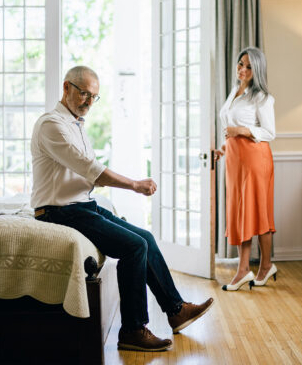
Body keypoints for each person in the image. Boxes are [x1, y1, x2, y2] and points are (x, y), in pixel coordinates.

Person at [31, 65, 213, 352]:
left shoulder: (76, 124)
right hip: (58, 210)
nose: (89, 102)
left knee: (146, 239)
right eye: (84, 94)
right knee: (133, 247)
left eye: (94, 97)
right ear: (66, 88)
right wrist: (134, 185)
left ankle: (176, 310)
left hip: (81, 205)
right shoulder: (51, 124)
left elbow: (85, 174)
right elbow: (90, 169)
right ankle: (133, 330)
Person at [215, 47, 277, 291]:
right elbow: (230, 126)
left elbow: (269, 132)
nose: (242, 69)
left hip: (255, 160)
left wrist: (240, 131)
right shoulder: (234, 91)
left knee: (258, 212)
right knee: (241, 212)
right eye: (241, 64)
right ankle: (247, 269)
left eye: (249, 66)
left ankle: (259, 266)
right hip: (235, 159)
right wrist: (225, 147)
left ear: (257, 69)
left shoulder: (262, 97)